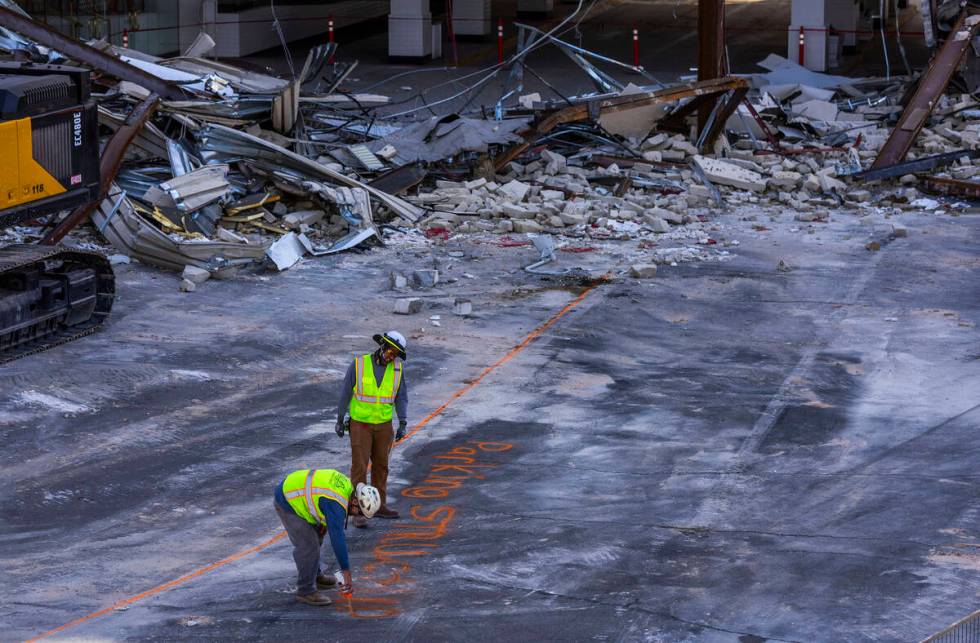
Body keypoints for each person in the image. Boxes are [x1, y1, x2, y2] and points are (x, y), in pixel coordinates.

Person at [273, 468, 380, 606]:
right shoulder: (337, 504)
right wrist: (346, 573)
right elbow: (338, 540)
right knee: (308, 546)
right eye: (359, 512)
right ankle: (305, 591)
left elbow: (321, 500)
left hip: (298, 493)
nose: (357, 515)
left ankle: (314, 576)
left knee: (317, 535)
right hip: (288, 501)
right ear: (355, 502)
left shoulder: (347, 489)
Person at [336, 330, 408, 528]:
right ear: (382, 346)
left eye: (395, 354)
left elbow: (401, 397)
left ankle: (378, 506)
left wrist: (402, 422)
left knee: (381, 466)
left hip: (384, 426)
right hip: (360, 425)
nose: (391, 356)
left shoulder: (397, 371)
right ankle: (358, 510)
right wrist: (340, 418)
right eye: (390, 351)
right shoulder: (359, 365)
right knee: (359, 466)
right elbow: (345, 392)